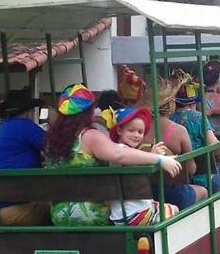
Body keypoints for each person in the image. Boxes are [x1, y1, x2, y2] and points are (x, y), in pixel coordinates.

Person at [44, 84, 181, 226]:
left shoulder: (52, 140)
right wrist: (159, 159)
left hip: (59, 214)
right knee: (173, 210)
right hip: (91, 214)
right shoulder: (89, 136)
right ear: (89, 112)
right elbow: (119, 154)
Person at [0, 90, 49, 225]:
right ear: (29, 111)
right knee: (59, 206)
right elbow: (58, 150)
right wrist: (54, 121)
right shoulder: (26, 126)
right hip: (16, 212)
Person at [108, 107, 179, 225]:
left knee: (165, 206)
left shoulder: (125, 151)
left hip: (130, 211)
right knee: (174, 209)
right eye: (131, 131)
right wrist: (155, 157)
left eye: (140, 132)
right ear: (119, 130)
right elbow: (129, 161)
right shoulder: (120, 150)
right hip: (132, 215)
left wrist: (152, 156)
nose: (136, 135)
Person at [169, 73, 220, 192]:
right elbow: (213, 142)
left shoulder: (170, 119)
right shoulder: (198, 117)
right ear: (193, 102)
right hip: (203, 175)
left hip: (180, 176)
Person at [154, 78, 209, 208]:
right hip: (174, 193)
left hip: (148, 194)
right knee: (204, 192)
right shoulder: (179, 130)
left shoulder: (140, 128)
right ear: (171, 103)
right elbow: (190, 169)